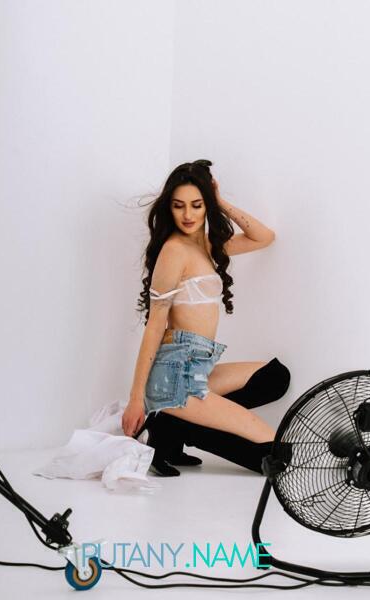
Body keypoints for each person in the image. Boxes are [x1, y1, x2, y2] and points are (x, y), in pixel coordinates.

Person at [122, 159, 292, 475]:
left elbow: (263, 237)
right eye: (179, 206)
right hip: (175, 375)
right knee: (278, 456)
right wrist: (135, 399)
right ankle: (178, 424)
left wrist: (220, 202)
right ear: (169, 208)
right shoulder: (174, 251)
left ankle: (171, 428)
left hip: (198, 367)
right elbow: (155, 326)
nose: (188, 215)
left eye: (197, 205)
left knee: (275, 377)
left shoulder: (207, 247)